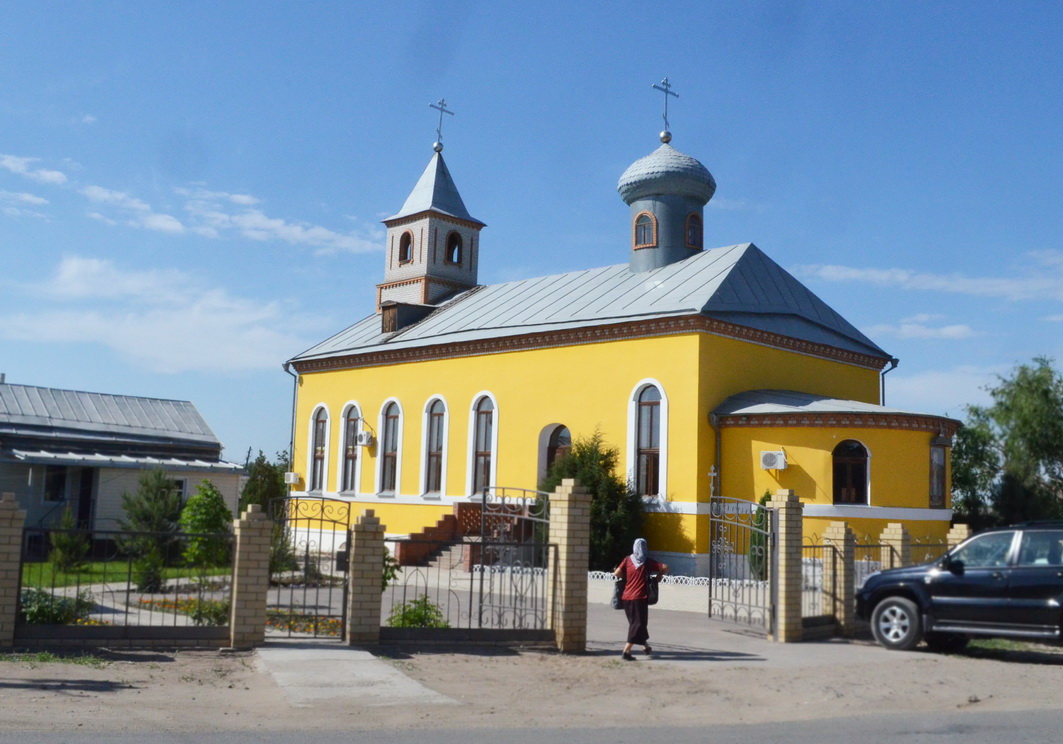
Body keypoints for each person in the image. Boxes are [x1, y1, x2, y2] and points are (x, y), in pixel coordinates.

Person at [613, 538, 668, 661]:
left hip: (626, 598)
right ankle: (626, 651)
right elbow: (665, 567)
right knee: (638, 624)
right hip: (640, 598)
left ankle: (646, 647)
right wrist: (659, 576)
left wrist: (627, 577)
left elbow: (616, 573)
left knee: (635, 624)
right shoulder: (647, 562)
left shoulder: (627, 560)